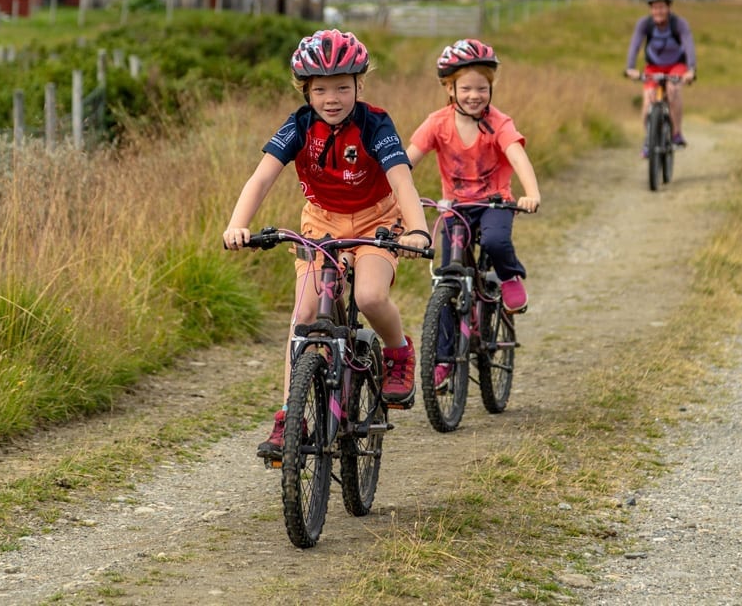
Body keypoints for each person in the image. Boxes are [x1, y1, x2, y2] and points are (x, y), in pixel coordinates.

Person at [222, 29, 432, 462]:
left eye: (342, 86)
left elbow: (401, 178)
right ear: (306, 91)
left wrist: (417, 230)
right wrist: (237, 225)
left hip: (377, 220)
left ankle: (397, 351)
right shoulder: (299, 125)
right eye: (320, 89)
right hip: (320, 225)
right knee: (302, 318)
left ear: (360, 84)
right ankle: (289, 417)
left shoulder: (375, 123)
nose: (332, 97)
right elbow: (261, 177)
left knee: (370, 295)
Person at [406, 39, 541, 391]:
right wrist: (391, 195)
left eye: (482, 88)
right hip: (455, 208)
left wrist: (531, 193)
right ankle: (444, 361)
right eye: (465, 88)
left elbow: (517, 156)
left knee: (496, 241)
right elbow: (406, 162)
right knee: (448, 281)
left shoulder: (499, 123)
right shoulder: (437, 123)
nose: (474, 95)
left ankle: (510, 277)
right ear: (449, 88)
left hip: (495, 202)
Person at [623, 0, 697, 155]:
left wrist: (691, 70)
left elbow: (688, 45)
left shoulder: (679, 24)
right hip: (653, 67)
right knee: (648, 102)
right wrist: (630, 68)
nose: (658, 11)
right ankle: (649, 139)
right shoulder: (644, 24)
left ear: (669, 8)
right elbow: (635, 45)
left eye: (662, 7)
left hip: (676, 66)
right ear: (651, 9)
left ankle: (676, 133)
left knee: (673, 90)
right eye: (655, 7)